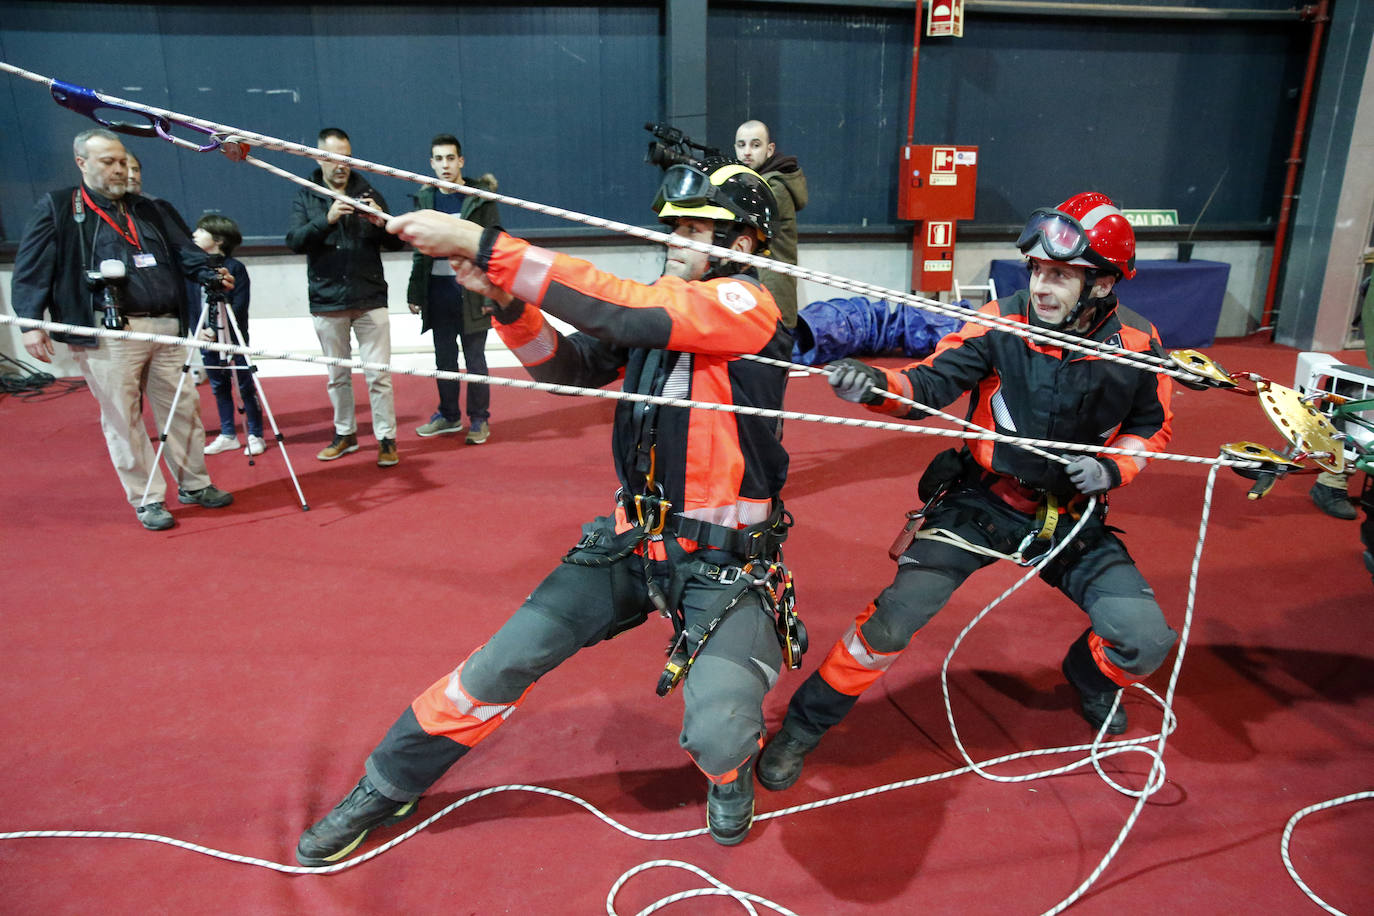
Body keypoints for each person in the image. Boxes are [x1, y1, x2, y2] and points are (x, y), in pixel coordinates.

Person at [295, 160, 795, 864]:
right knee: (495, 668)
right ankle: (389, 781)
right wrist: (506, 305)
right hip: (631, 546)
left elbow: (621, 308)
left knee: (721, 730)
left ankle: (728, 774)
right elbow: (566, 369)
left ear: (744, 244)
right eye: (675, 225)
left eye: (697, 228)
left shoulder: (747, 303)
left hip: (723, 567)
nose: (676, 238)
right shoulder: (666, 306)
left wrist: (483, 245)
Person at [756, 192, 1179, 792]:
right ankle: (803, 727)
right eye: (1037, 270)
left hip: (1070, 517)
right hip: (980, 504)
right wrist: (877, 386)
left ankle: (1091, 677)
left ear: (1105, 285)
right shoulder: (999, 325)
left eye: (1060, 275)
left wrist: (1115, 468)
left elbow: (1150, 425)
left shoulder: (1139, 344)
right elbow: (929, 382)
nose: (1041, 287)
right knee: (891, 624)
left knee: (1144, 639)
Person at [11, 128, 235, 530]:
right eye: (108, 162)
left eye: (122, 162)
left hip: (167, 325)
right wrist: (31, 324)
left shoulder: (152, 207)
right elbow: (31, 269)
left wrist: (212, 273)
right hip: (108, 333)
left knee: (183, 408)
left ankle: (195, 484)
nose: (119, 170)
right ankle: (147, 498)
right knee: (122, 418)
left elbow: (189, 253)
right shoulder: (60, 207)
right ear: (82, 163)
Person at [285, 127, 404, 467]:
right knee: (337, 375)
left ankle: (386, 439)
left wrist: (381, 222)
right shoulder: (306, 194)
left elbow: (397, 242)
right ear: (318, 157)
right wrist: (327, 219)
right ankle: (345, 434)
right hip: (328, 300)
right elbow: (294, 241)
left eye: (347, 158)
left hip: (370, 297)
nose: (342, 165)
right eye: (333, 158)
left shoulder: (368, 190)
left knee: (378, 374)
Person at [406, 134, 499, 445]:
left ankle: (479, 419)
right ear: (431, 164)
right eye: (439, 159)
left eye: (450, 158)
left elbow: (495, 246)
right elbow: (419, 251)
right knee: (444, 360)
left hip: (472, 295)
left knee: (475, 360)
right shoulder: (425, 199)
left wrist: (490, 294)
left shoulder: (480, 199)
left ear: (461, 161)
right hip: (438, 292)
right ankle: (448, 415)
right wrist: (415, 293)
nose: (445, 165)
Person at [192, 213, 265, 457]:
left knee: (245, 384)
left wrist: (216, 327)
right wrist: (199, 329)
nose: (195, 235)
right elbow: (192, 303)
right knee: (218, 385)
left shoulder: (235, 268)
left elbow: (240, 304)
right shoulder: (195, 269)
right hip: (205, 339)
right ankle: (227, 434)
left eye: (201, 231)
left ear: (219, 239)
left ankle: (255, 433)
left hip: (234, 337)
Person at [734, 120, 807, 329]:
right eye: (741, 145)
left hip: (772, 291)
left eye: (755, 145)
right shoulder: (751, 181)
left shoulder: (775, 187)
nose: (747, 152)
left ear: (769, 149)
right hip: (757, 287)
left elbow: (741, 214)